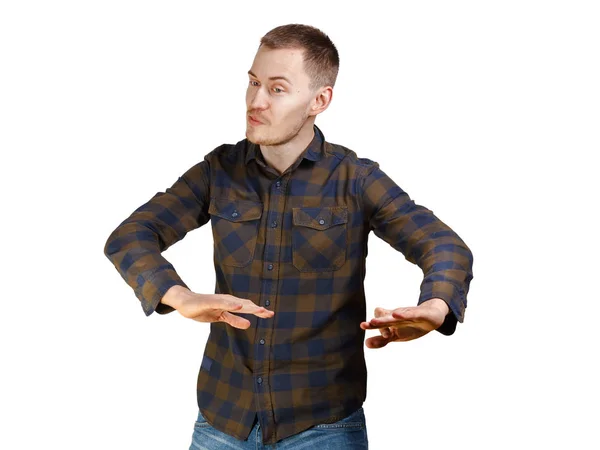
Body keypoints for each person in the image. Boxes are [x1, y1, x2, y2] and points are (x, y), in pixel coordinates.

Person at [103, 23, 474, 449]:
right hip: (223, 419)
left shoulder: (355, 179)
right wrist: (180, 297)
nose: (255, 101)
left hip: (323, 425)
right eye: (253, 82)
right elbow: (131, 235)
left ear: (320, 100)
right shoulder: (217, 170)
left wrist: (436, 305)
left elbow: (442, 244)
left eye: (277, 89)